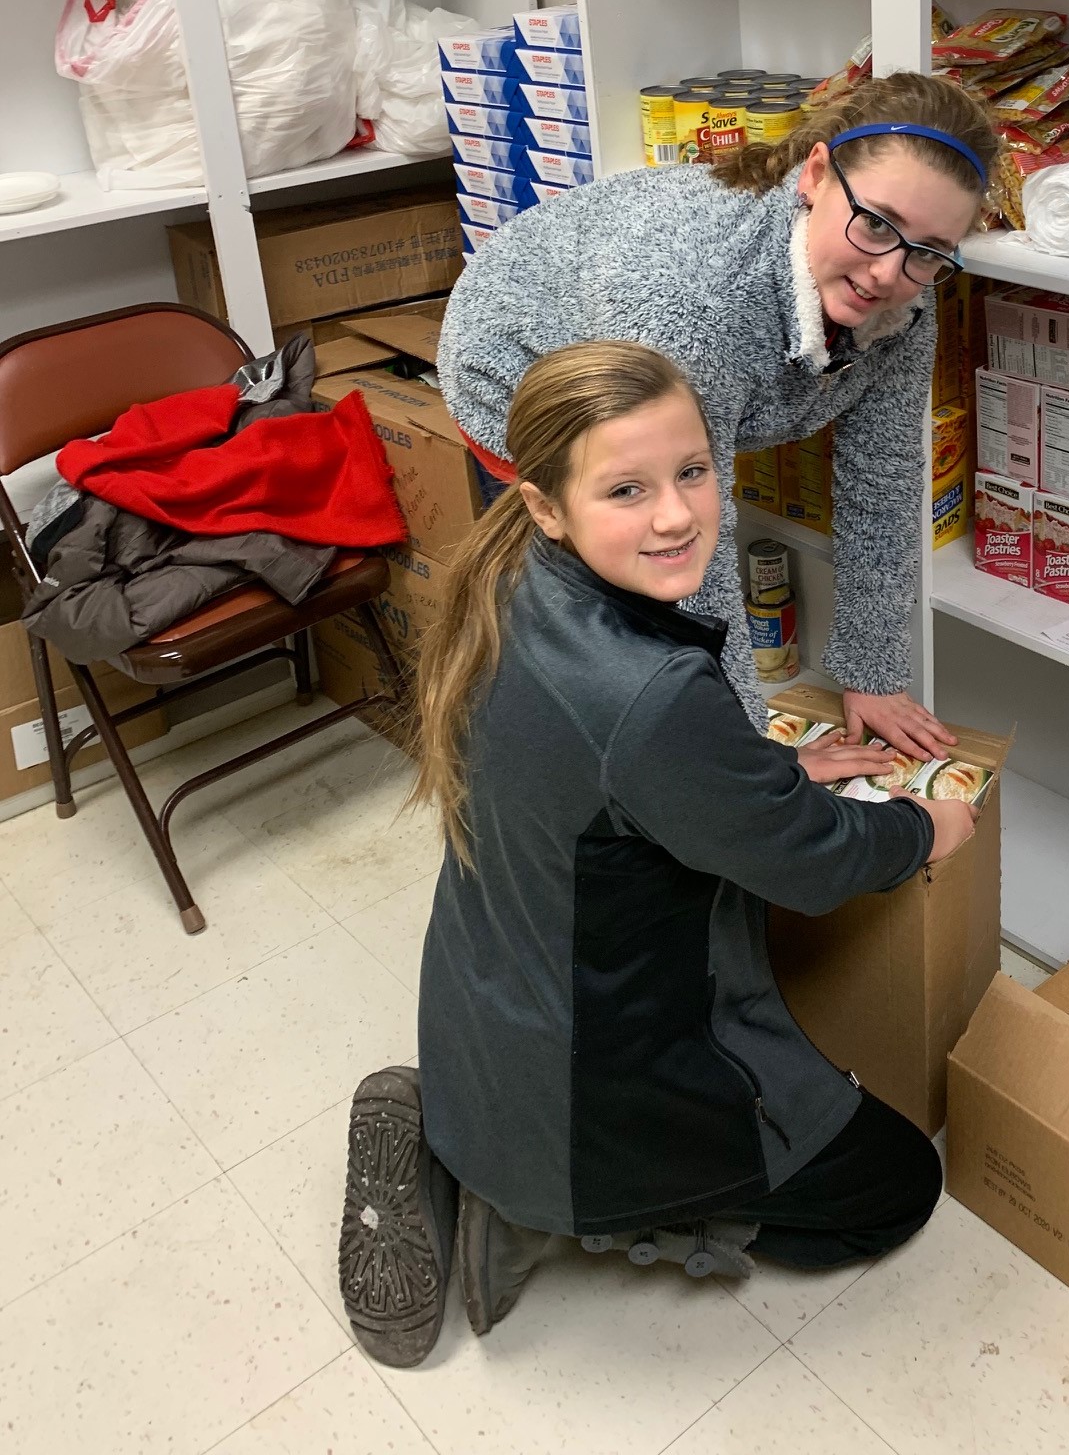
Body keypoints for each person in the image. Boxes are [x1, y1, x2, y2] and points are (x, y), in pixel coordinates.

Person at [338, 341, 979, 1369]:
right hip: (588, 1089)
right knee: (896, 1189)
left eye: (692, 471)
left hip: (485, 1007)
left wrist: (753, 777)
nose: (677, 514)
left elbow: (619, 779)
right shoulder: (650, 697)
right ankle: (559, 1214)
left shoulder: (513, 582)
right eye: (628, 488)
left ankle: (461, 1126)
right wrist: (924, 829)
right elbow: (811, 866)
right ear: (547, 503)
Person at [437, 70, 1001, 763]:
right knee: (596, 608)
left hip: (656, 332)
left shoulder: (906, 298)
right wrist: (755, 762)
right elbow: (692, 557)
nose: (889, 272)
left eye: (927, 251)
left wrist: (872, 674)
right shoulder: (697, 303)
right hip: (519, 351)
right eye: (877, 223)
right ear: (816, 175)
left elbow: (883, 477)